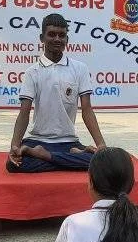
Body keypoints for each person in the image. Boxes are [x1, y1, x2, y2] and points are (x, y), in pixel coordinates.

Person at [7, 13, 107, 173]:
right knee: (14, 164)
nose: (57, 39)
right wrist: (14, 146)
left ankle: (45, 156)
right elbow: (24, 112)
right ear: (42, 38)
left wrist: (101, 144)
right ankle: (71, 156)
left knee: (101, 161)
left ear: (67, 39)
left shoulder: (79, 68)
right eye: (52, 34)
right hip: (38, 140)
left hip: (68, 142)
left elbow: (87, 109)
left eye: (62, 35)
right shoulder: (32, 72)